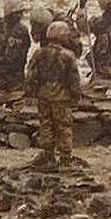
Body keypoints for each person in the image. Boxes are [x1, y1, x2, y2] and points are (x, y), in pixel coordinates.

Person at [25, 21, 82, 169]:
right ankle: (65, 157)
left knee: (46, 125)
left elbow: (31, 75)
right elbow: (74, 79)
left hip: (43, 96)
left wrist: (30, 93)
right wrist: (76, 96)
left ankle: (48, 154)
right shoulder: (68, 56)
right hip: (62, 98)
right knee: (63, 127)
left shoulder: (39, 53)